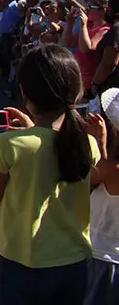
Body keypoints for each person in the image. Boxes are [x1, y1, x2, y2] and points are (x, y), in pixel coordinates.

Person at [0, 45, 97, 304]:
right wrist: (32, 129)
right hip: (74, 263)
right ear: (76, 92)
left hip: (23, 265)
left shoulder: (10, 145)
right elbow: (48, 149)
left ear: (25, 95)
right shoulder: (88, 143)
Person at [85, 87, 119, 303]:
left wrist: (93, 140)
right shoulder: (112, 170)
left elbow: (84, 179)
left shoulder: (112, 170)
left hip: (105, 259)